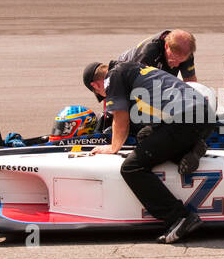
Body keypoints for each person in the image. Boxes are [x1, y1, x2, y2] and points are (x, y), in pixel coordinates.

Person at [83, 60, 216, 244]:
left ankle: (179, 217)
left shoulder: (112, 78)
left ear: (95, 85)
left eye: (100, 93)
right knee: (145, 136)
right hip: (202, 114)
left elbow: (121, 120)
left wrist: (112, 148)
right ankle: (190, 150)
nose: (103, 94)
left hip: (186, 119)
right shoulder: (131, 66)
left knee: (131, 168)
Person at [118, 30, 198, 82]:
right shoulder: (148, 53)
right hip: (126, 70)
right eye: (174, 60)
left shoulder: (186, 52)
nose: (177, 65)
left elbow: (191, 82)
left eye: (181, 62)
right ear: (166, 46)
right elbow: (137, 84)